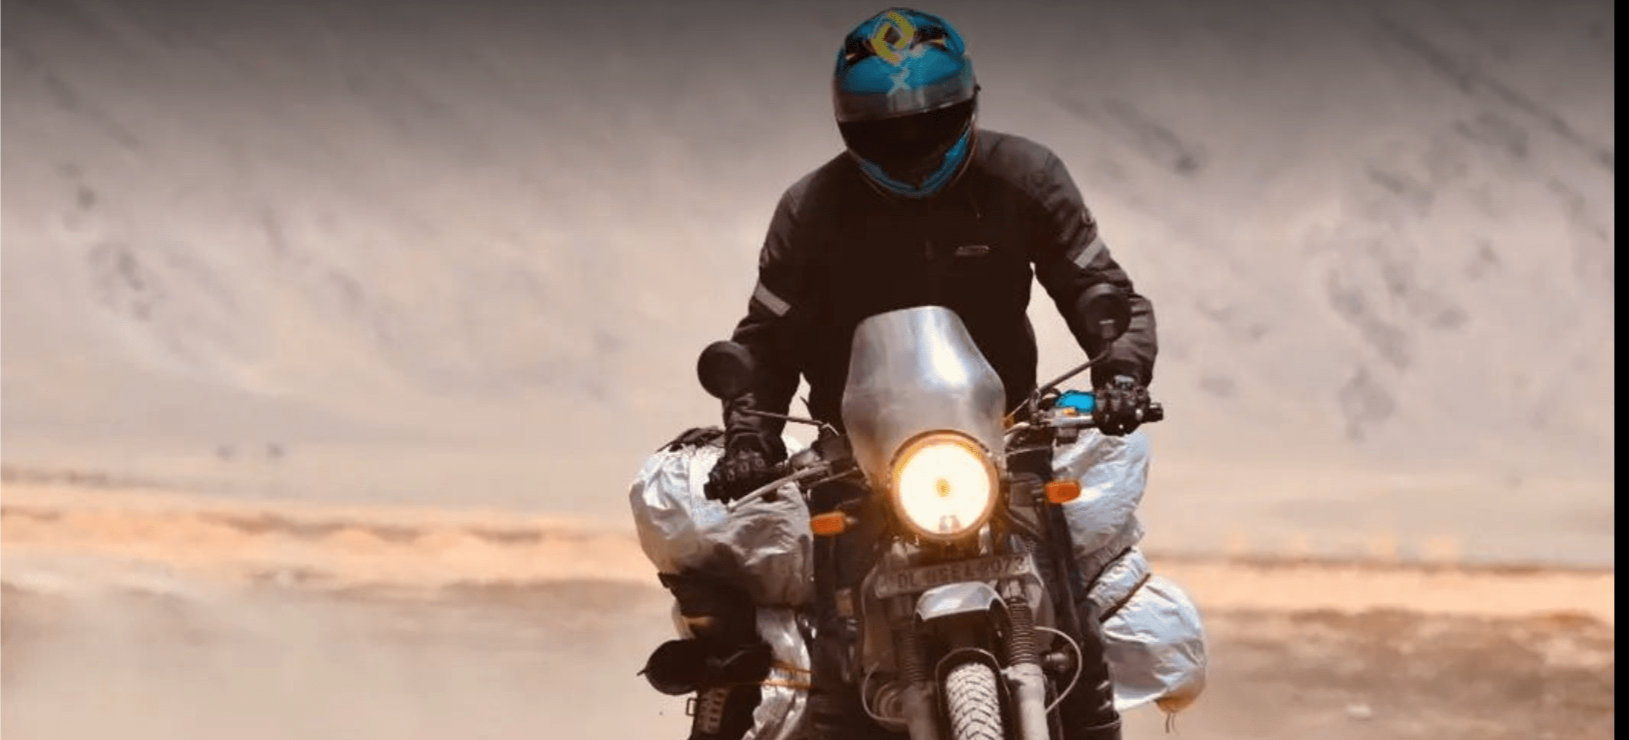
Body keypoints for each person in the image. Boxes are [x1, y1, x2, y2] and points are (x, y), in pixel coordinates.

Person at [702, 7, 1158, 740]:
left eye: (929, 122)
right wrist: (749, 439)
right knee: (838, 645)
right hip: (856, 453)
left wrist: (1120, 373)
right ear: (847, 127)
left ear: (969, 104)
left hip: (1005, 431)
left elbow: (1097, 288)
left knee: (1068, 608)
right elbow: (766, 339)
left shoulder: (1024, 177)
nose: (908, 145)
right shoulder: (812, 209)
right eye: (883, 132)